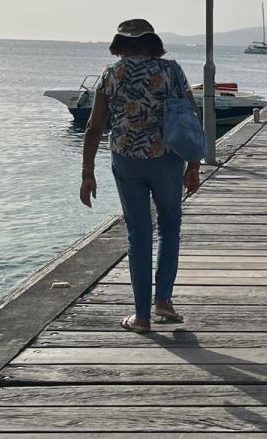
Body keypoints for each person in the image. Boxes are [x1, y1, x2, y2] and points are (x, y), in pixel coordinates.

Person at [80, 18, 201, 334]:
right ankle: (163, 300)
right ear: (153, 44)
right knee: (170, 226)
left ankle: (142, 317)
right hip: (166, 158)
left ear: (120, 45)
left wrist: (87, 172)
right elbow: (189, 117)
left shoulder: (111, 75)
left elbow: (94, 127)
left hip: (126, 160)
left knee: (139, 234)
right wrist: (194, 165)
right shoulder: (170, 71)